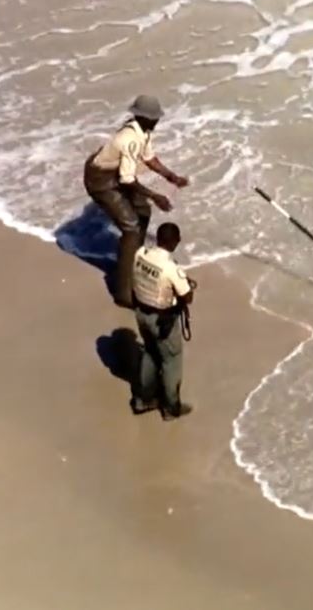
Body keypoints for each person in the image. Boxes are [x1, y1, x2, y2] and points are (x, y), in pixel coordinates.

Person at [82, 95, 189, 308]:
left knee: (143, 211)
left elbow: (149, 159)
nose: (157, 121)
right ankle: (124, 293)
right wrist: (155, 196)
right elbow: (127, 180)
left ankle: (134, 263)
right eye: (154, 118)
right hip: (100, 179)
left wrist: (171, 177)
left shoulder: (143, 132)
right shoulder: (129, 140)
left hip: (115, 171)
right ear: (143, 117)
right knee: (131, 228)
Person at [130, 222, 196, 421]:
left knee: (150, 353)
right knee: (171, 360)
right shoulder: (170, 268)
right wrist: (187, 284)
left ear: (158, 239)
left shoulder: (140, 254)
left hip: (141, 312)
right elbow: (187, 297)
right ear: (174, 242)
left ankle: (142, 400)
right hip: (162, 321)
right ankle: (170, 407)